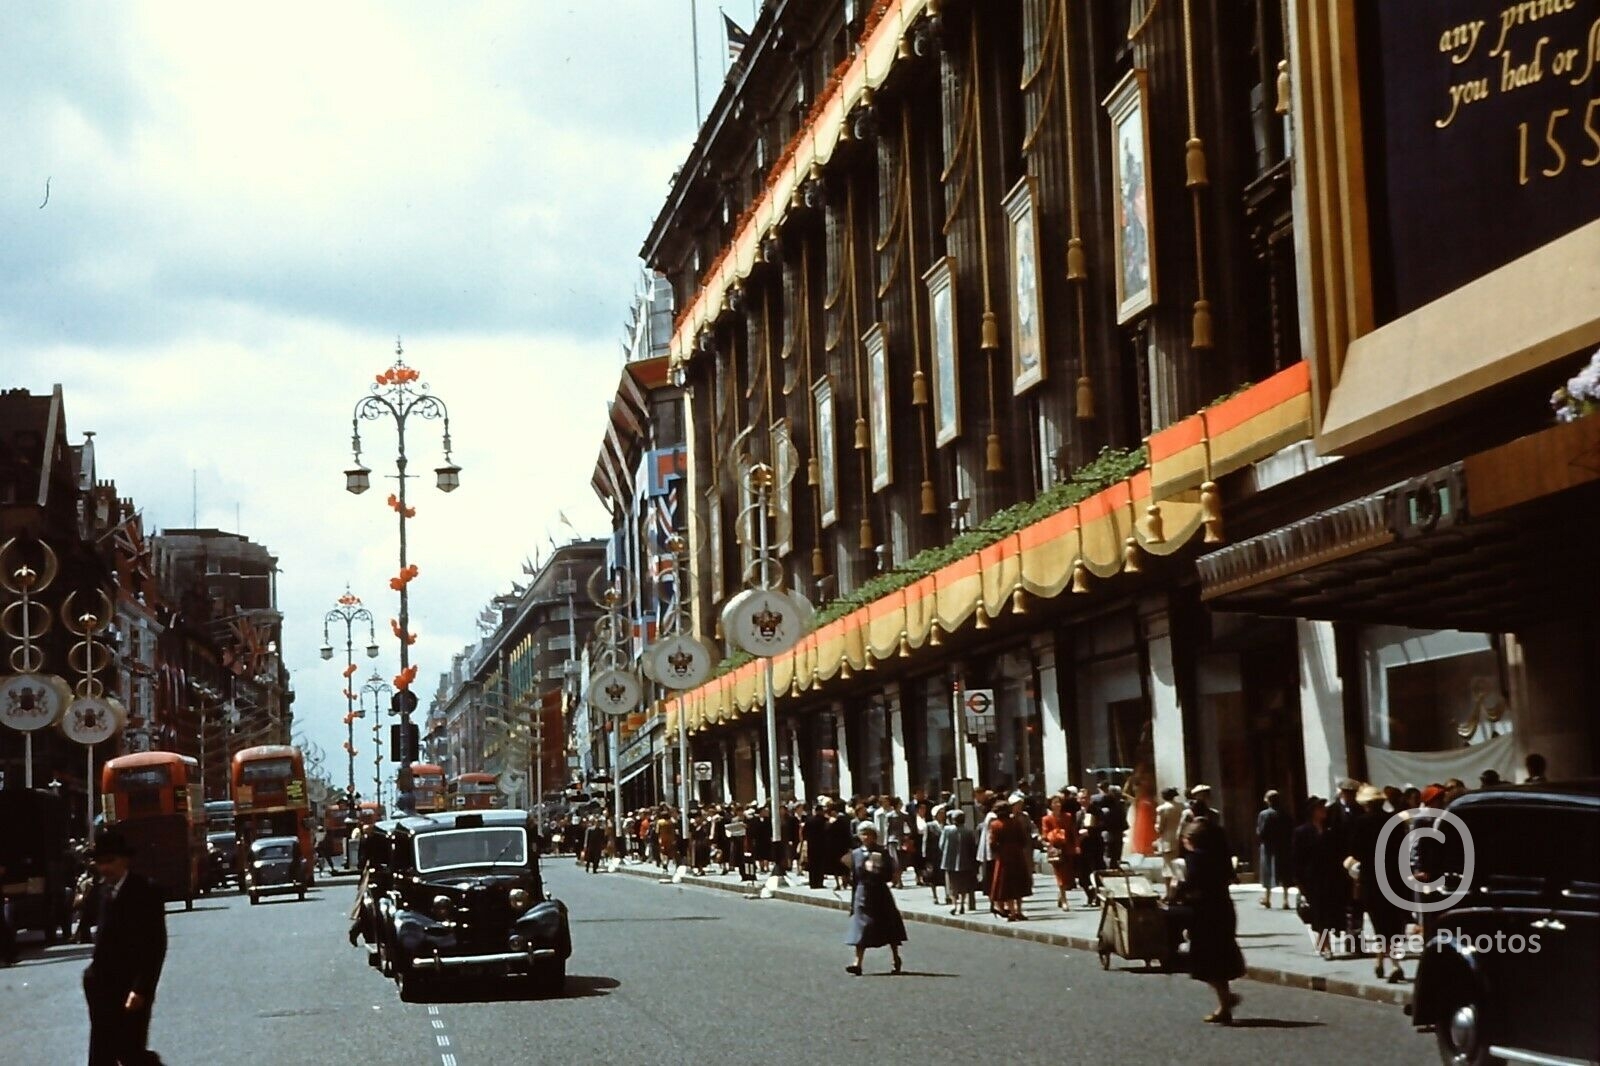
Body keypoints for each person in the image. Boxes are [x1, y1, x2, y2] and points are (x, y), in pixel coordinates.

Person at [83, 829, 167, 1065]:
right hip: (101, 988)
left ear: (125, 860)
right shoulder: (99, 893)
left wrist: (141, 988)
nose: (105, 868)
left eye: (110, 861)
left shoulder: (146, 891)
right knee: (101, 1056)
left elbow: (155, 945)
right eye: (100, 862)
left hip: (130, 988)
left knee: (131, 1053)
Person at [1176, 816, 1244, 1025]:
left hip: (1204, 912)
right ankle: (1225, 1001)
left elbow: (1192, 886)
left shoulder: (1195, 859)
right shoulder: (1220, 857)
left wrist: (1178, 891)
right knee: (1219, 957)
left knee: (1206, 960)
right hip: (1223, 909)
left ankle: (1226, 1002)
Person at [1348, 784, 1410, 982]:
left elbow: (1356, 852)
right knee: (1392, 921)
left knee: (1380, 922)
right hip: (1394, 877)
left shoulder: (1361, 823)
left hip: (1372, 878)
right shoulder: (1394, 822)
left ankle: (1393, 964)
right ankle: (1380, 960)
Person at [843, 822, 906, 975]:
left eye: (869, 834)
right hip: (862, 894)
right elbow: (854, 877)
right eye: (863, 834)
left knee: (888, 927)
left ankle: (895, 957)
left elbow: (889, 875)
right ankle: (857, 962)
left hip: (879, 894)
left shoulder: (882, 852)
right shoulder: (855, 854)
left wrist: (878, 870)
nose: (866, 837)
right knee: (860, 928)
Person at [1291, 798, 1345, 958]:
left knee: (1327, 911)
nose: (1324, 810)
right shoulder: (1302, 832)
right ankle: (1326, 946)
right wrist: (1298, 881)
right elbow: (1296, 858)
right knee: (1318, 912)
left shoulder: (1329, 830)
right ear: (1313, 811)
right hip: (1312, 878)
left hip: (1330, 876)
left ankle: (1322, 943)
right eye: (1320, 808)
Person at [988, 796, 1033, 922]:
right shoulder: (1016, 822)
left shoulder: (995, 825)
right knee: (1018, 883)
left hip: (1003, 857)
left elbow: (992, 843)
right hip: (1017, 855)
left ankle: (1012, 912)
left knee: (1006, 885)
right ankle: (1019, 910)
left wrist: (997, 851)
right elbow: (1023, 840)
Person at [1255, 790, 1292, 909]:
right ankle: (1285, 900)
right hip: (1283, 846)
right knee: (1285, 874)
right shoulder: (1285, 814)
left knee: (1267, 872)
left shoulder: (1264, 814)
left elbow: (1262, 831)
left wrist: (1259, 834)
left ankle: (1267, 898)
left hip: (1268, 847)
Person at [1040, 794, 1076, 910]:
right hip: (1055, 849)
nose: (1058, 805)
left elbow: (1072, 832)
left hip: (1067, 848)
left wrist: (1076, 845)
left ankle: (1061, 895)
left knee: (1067, 876)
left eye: (1059, 802)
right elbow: (1045, 834)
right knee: (1059, 874)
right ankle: (1065, 900)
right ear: (1050, 805)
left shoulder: (1068, 816)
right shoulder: (1047, 819)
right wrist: (1050, 840)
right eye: (1055, 802)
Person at [939, 808, 977, 914]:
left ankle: (955, 905)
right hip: (965, 862)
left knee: (952, 884)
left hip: (949, 861)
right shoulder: (968, 832)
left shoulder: (947, 830)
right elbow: (972, 848)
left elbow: (941, 845)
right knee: (964, 885)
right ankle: (962, 905)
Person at [1154, 787, 1184, 899]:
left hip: (1167, 841)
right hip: (1180, 840)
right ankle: (1179, 892)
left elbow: (1159, 827)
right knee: (1180, 868)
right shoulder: (1182, 806)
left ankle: (1170, 893)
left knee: (1168, 869)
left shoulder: (1162, 809)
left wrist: (1156, 826)